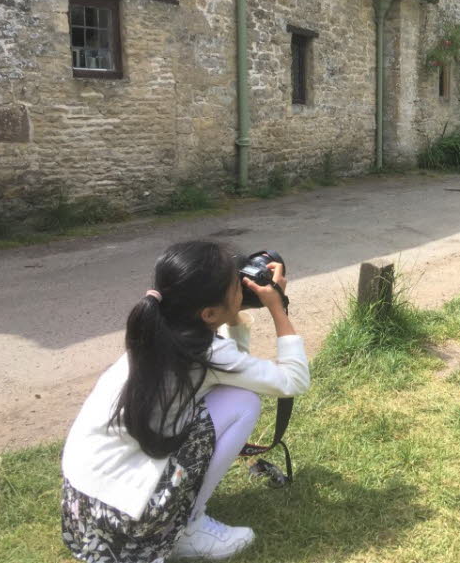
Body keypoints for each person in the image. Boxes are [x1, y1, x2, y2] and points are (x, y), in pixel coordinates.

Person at [60, 240, 310, 562]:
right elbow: (294, 381)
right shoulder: (207, 351)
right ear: (207, 313)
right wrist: (278, 307)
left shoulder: (160, 328)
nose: (244, 286)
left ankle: (175, 513)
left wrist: (232, 314)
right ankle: (188, 528)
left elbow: (228, 370)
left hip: (85, 509)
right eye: (237, 284)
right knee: (244, 404)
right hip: (131, 522)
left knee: (233, 395)